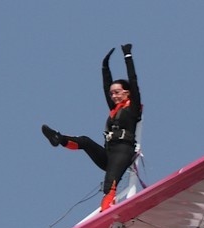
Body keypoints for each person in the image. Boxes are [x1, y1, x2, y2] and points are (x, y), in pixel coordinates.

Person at [41, 44, 142, 211]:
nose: (113, 96)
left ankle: (107, 210)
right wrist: (104, 66)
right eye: (112, 94)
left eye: (117, 92)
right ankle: (59, 138)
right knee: (85, 141)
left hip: (123, 151)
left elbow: (134, 81)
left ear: (127, 92)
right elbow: (105, 86)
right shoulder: (114, 110)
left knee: (110, 183)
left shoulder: (133, 107)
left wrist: (127, 57)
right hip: (108, 153)